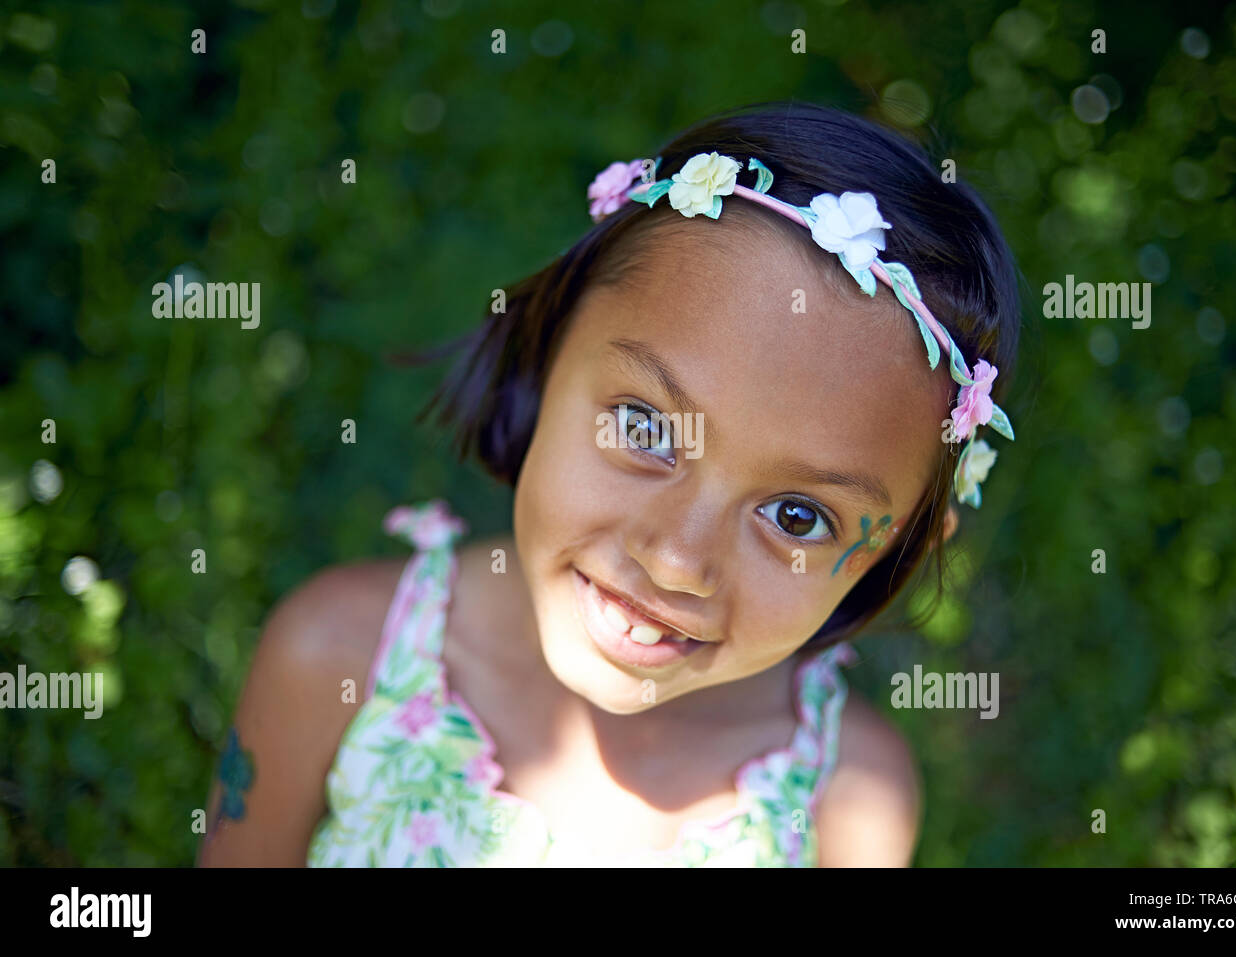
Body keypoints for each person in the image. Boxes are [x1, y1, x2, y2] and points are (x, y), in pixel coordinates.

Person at [197, 99, 1020, 867]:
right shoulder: (339, 658)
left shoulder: (849, 804)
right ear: (551, 342)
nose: (675, 561)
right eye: (646, 428)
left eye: (798, 516)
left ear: (899, 548)